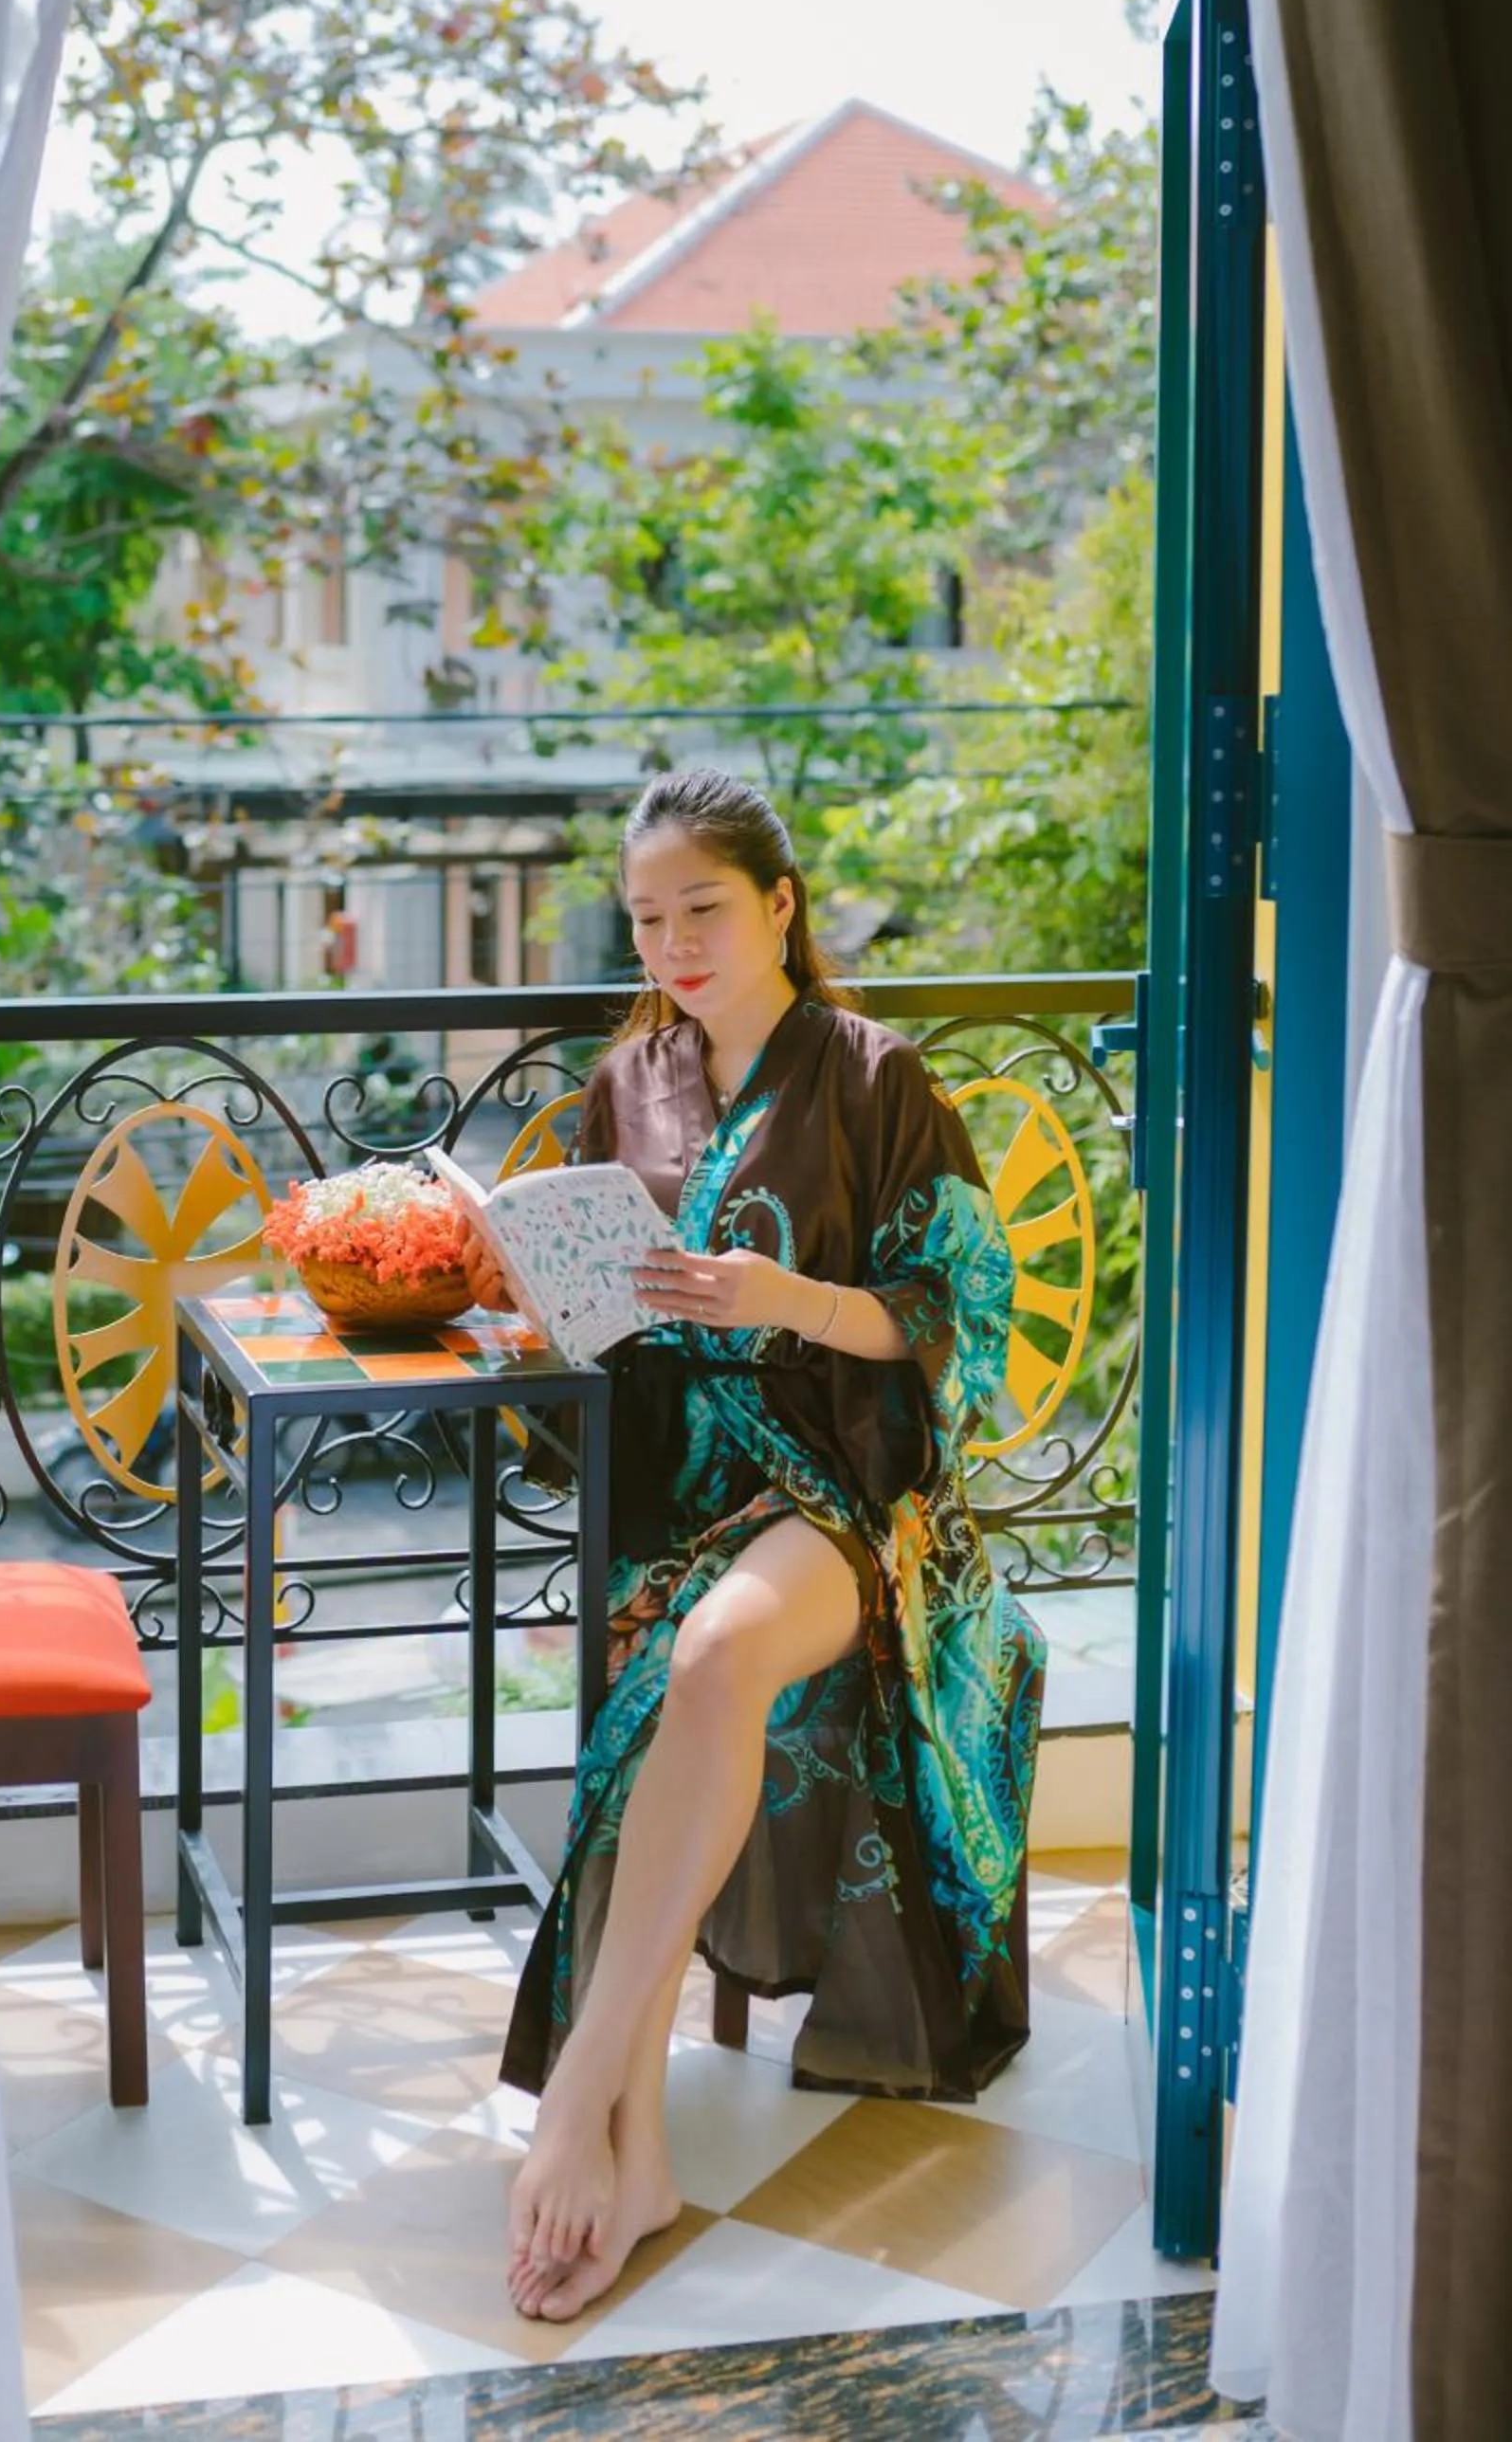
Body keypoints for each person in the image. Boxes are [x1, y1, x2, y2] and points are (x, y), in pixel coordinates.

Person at [450, 767, 1045, 2326]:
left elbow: (957, 1320)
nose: (673, 947)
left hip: (847, 1490)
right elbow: (610, 1323)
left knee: (706, 1653)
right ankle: (634, 2154)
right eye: (646, 920)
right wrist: (536, 1295)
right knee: (668, 1685)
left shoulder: (875, 1077)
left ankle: (580, 2090)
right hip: (682, 1489)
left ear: (780, 904)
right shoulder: (626, 1082)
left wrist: (792, 1303)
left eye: (701, 909)